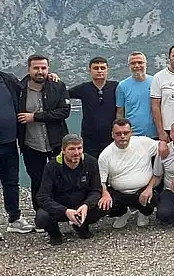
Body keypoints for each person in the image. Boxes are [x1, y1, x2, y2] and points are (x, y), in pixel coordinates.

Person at [19, 54, 71, 214]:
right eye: (36, 68)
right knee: (37, 180)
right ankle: (41, 214)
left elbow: (64, 111)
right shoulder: (19, 89)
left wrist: (35, 117)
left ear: (48, 69)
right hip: (31, 145)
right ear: (29, 69)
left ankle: (64, 211)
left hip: (56, 144)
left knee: (62, 177)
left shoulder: (58, 86)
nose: (40, 71)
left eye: (43, 68)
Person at [35, 134, 106, 245]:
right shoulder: (51, 167)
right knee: (42, 217)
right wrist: (65, 211)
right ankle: (55, 234)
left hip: (82, 205)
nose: (76, 152)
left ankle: (81, 226)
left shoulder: (91, 162)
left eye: (79, 148)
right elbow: (42, 196)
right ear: (63, 150)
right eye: (71, 149)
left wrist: (86, 205)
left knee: (105, 205)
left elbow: (96, 189)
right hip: (61, 206)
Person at [97, 119, 159, 229]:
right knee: (103, 203)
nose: (122, 136)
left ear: (131, 132)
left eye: (126, 133)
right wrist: (105, 193)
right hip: (119, 192)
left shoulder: (143, 142)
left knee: (153, 198)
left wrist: (163, 146)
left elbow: (164, 146)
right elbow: (101, 180)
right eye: (118, 133)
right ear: (112, 135)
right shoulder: (105, 155)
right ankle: (123, 213)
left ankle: (144, 213)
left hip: (143, 190)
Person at [0, 70, 35, 235]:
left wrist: (49, 76)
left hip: (9, 143)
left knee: (11, 182)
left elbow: (25, 87)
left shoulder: (7, 79)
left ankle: (14, 219)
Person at [69, 57, 118, 159]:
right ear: (90, 71)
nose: (99, 71)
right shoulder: (83, 88)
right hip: (89, 139)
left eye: (102, 68)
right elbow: (62, 94)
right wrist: (53, 79)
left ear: (107, 70)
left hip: (112, 137)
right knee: (91, 165)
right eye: (96, 68)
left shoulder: (116, 87)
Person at [115, 51, 157, 138]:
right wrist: (122, 132)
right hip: (133, 136)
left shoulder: (155, 82)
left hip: (155, 134)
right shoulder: (122, 86)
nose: (137, 66)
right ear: (129, 66)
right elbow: (120, 112)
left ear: (146, 64)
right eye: (133, 63)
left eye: (140, 62)